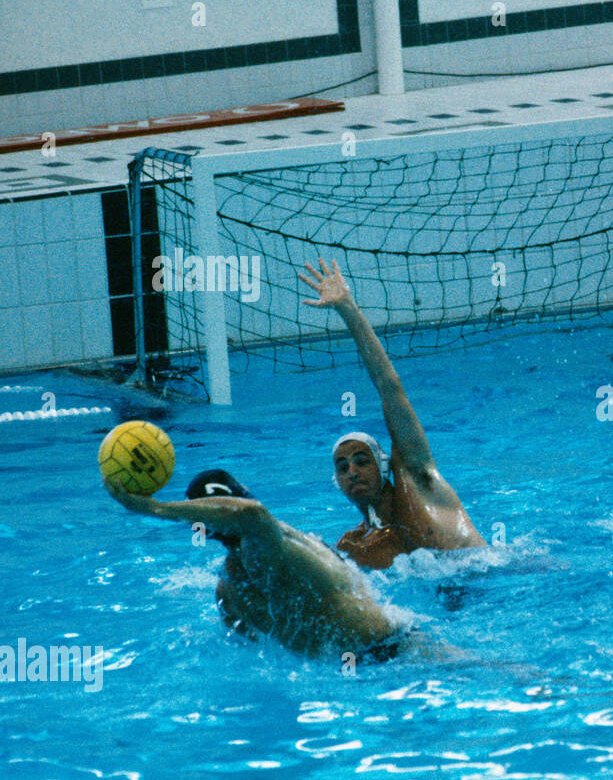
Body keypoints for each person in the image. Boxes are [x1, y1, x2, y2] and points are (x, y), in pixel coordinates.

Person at [103, 469, 458, 663]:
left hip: (401, 650)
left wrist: (155, 509)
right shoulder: (229, 585)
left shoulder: (275, 543)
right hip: (352, 675)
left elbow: (251, 515)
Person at [298, 259, 486, 569]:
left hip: (496, 579)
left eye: (361, 461)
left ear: (383, 466)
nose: (353, 472)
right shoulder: (355, 546)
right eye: (342, 468)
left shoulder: (418, 481)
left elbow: (389, 385)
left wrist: (347, 308)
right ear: (337, 482)